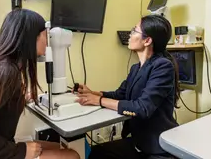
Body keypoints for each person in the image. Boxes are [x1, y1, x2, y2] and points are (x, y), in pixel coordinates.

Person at [0, 9, 80, 159]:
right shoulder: (4, 73)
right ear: (31, 37)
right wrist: (21, 151)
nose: (47, 41)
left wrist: (21, 98)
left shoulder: (7, 67)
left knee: (60, 147)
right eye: (45, 35)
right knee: (72, 155)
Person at [76, 15, 180, 159]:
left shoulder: (163, 66)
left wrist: (98, 101)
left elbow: (143, 108)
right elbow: (120, 94)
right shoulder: (135, 68)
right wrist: (93, 93)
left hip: (157, 147)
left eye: (134, 31)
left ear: (147, 40)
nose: (130, 35)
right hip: (139, 141)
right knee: (98, 152)